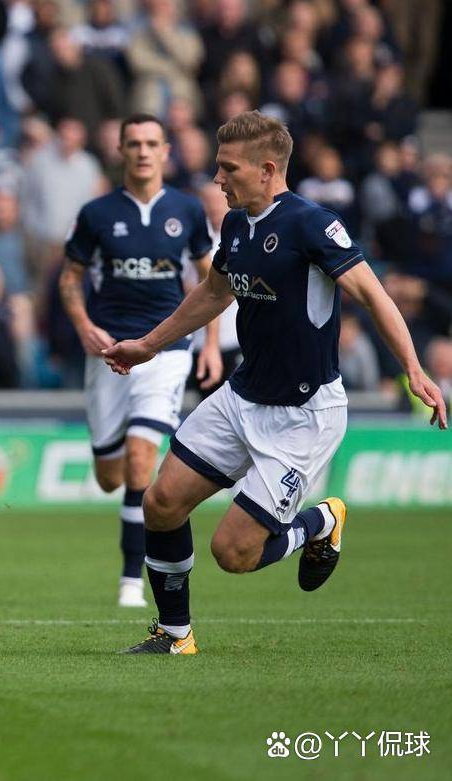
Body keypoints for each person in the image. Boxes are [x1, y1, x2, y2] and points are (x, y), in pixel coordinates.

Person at [104, 111, 447, 654]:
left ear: (267, 170)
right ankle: (175, 634)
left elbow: (373, 294)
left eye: (228, 169)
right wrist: (148, 345)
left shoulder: (313, 225)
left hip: (303, 416)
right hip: (242, 397)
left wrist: (413, 367)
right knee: (161, 502)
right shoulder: (238, 224)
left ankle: (320, 522)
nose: (218, 180)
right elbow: (215, 294)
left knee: (233, 553)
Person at [59, 114, 222, 609]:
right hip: (109, 354)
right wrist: (84, 324)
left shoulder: (188, 211)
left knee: (140, 458)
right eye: (134, 143)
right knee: (110, 474)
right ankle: (115, 483)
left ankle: (131, 578)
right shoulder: (96, 214)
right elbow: (69, 279)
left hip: (166, 351)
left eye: (153, 143)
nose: (144, 152)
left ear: (166, 151)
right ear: (121, 151)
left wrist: (211, 345)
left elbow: (211, 283)